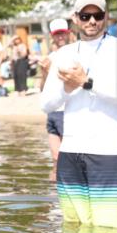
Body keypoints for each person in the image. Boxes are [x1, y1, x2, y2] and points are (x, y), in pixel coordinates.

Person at [40, 0, 117, 229]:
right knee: (74, 232)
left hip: (108, 152)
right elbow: (46, 104)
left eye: (97, 15)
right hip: (70, 154)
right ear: (75, 18)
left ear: (105, 17)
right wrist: (67, 88)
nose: (91, 21)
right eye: (85, 16)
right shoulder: (64, 53)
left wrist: (87, 83)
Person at [38, 19, 73, 182]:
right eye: (57, 34)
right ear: (52, 36)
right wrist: (44, 72)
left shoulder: (75, 54)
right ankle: (54, 200)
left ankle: (70, 194)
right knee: (56, 159)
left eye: (62, 33)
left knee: (68, 159)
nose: (60, 37)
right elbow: (42, 88)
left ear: (68, 33)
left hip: (68, 111)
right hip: (53, 112)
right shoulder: (49, 58)